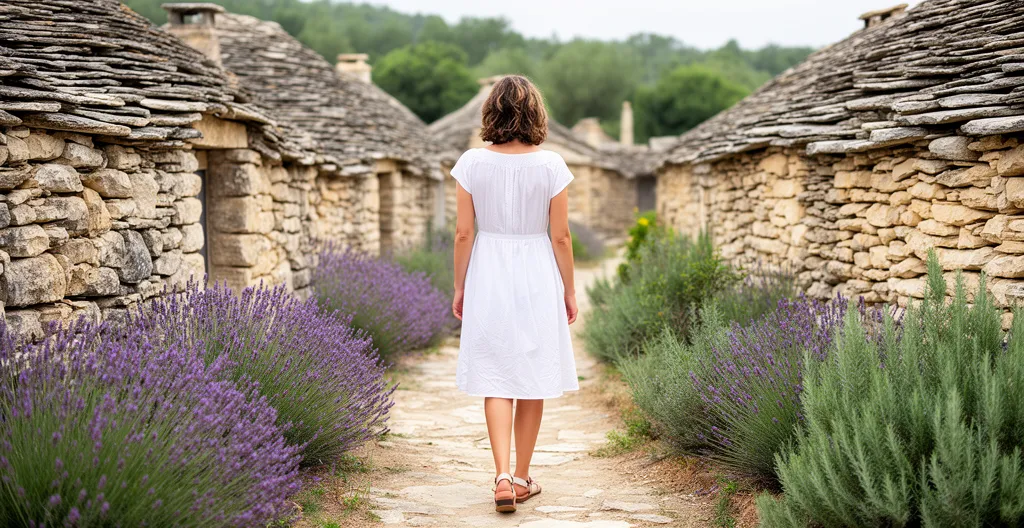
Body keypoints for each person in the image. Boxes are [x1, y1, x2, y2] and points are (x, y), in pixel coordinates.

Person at [450, 74, 580, 514]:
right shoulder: (552, 165)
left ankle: (501, 474)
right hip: (537, 270)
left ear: (492, 112)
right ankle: (523, 477)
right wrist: (570, 290)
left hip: (488, 268)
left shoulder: (470, 162)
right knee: (532, 370)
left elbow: (463, 232)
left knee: (494, 372)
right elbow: (560, 237)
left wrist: (460, 285)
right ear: (535, 114)